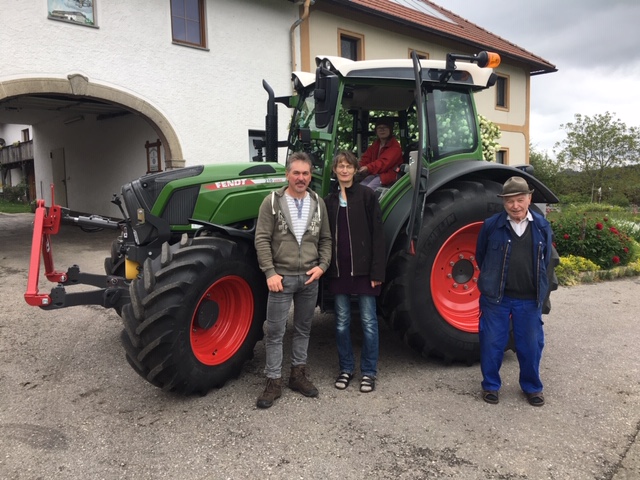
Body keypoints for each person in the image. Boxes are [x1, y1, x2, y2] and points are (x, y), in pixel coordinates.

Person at [254, 151, 332, 409]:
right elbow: (262, 239)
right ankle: (273, 381)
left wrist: (322, 266)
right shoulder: (272, 202)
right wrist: (269, 272)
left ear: (311, 176)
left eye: (306, 173)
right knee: (275, 332)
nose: (301, 178)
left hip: (310, 279)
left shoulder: (318, 202)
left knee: (303, 329)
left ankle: (297, 375)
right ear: (287, 174)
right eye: (296, 173)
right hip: (281, 279)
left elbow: (326, 240)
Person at [475, 176, 553, 407]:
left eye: (520, 200)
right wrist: (491, 281)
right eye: (510, 201)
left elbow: (545, 260)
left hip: (529, 299)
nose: (515, 206)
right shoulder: (491, 226)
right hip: (497, 299)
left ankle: (532, 387)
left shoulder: (541, 226)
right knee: (492, 343)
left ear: (529, 199)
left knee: (530, 345)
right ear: (503, 202)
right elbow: (482, 257)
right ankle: (490, 385)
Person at [324, 151, 385, 393]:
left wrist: (376, 272)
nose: (345, 170)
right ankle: (346, 368)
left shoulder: (367, 196)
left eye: (348, 166)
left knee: (369, 322)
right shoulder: (329, 200)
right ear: (335, 171)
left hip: (364, 272)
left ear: (355, 169)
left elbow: (378, 236)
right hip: (339, 271)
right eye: (340, 166)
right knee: (341, 323)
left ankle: (369, 372)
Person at [358, 117, 403, 190]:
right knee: (359, 188)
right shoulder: (376, 145)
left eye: (385, 127)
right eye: (379, 128)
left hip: (388, 176)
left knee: (367, 191)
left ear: (390, 130)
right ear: (376, 131)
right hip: (376, 174)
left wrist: (367, 168)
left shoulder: (395, 147)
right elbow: (366, 158)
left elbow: (383, 163)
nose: (382, 130)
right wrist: (356, 166)